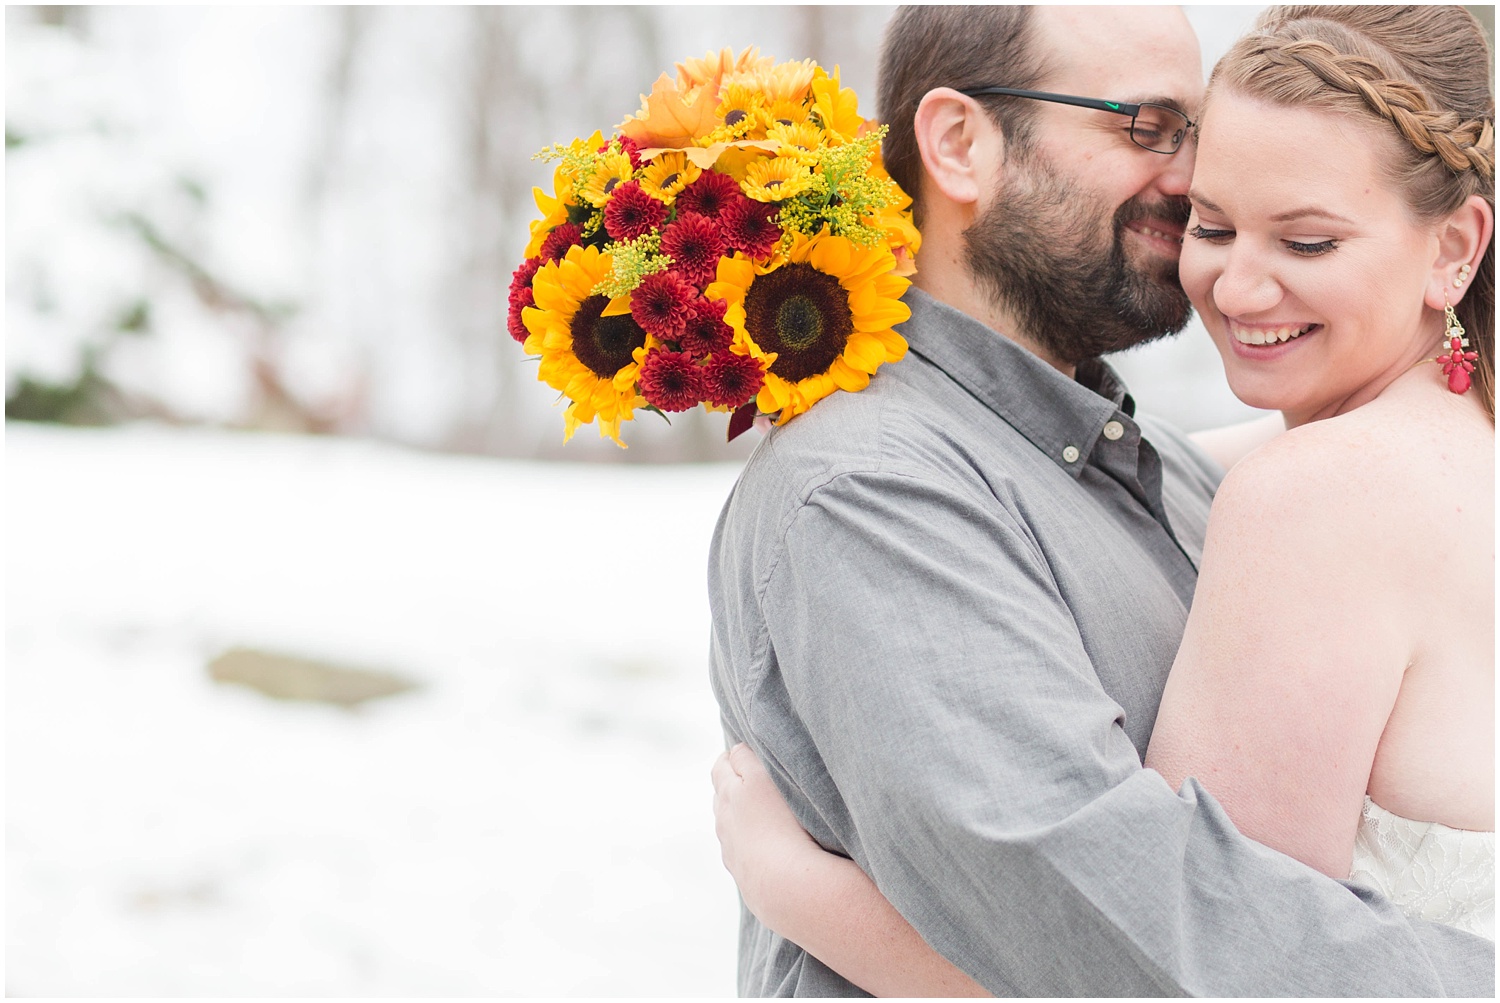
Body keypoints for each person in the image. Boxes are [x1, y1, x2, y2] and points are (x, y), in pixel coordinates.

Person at [705, 4, 1495, 997]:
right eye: (1146, 128)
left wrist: (805, 897)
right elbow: (1113, 928)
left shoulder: (1189, 466)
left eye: (1190, 134)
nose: (1186, 179)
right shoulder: (868, 486)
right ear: (958, 144)